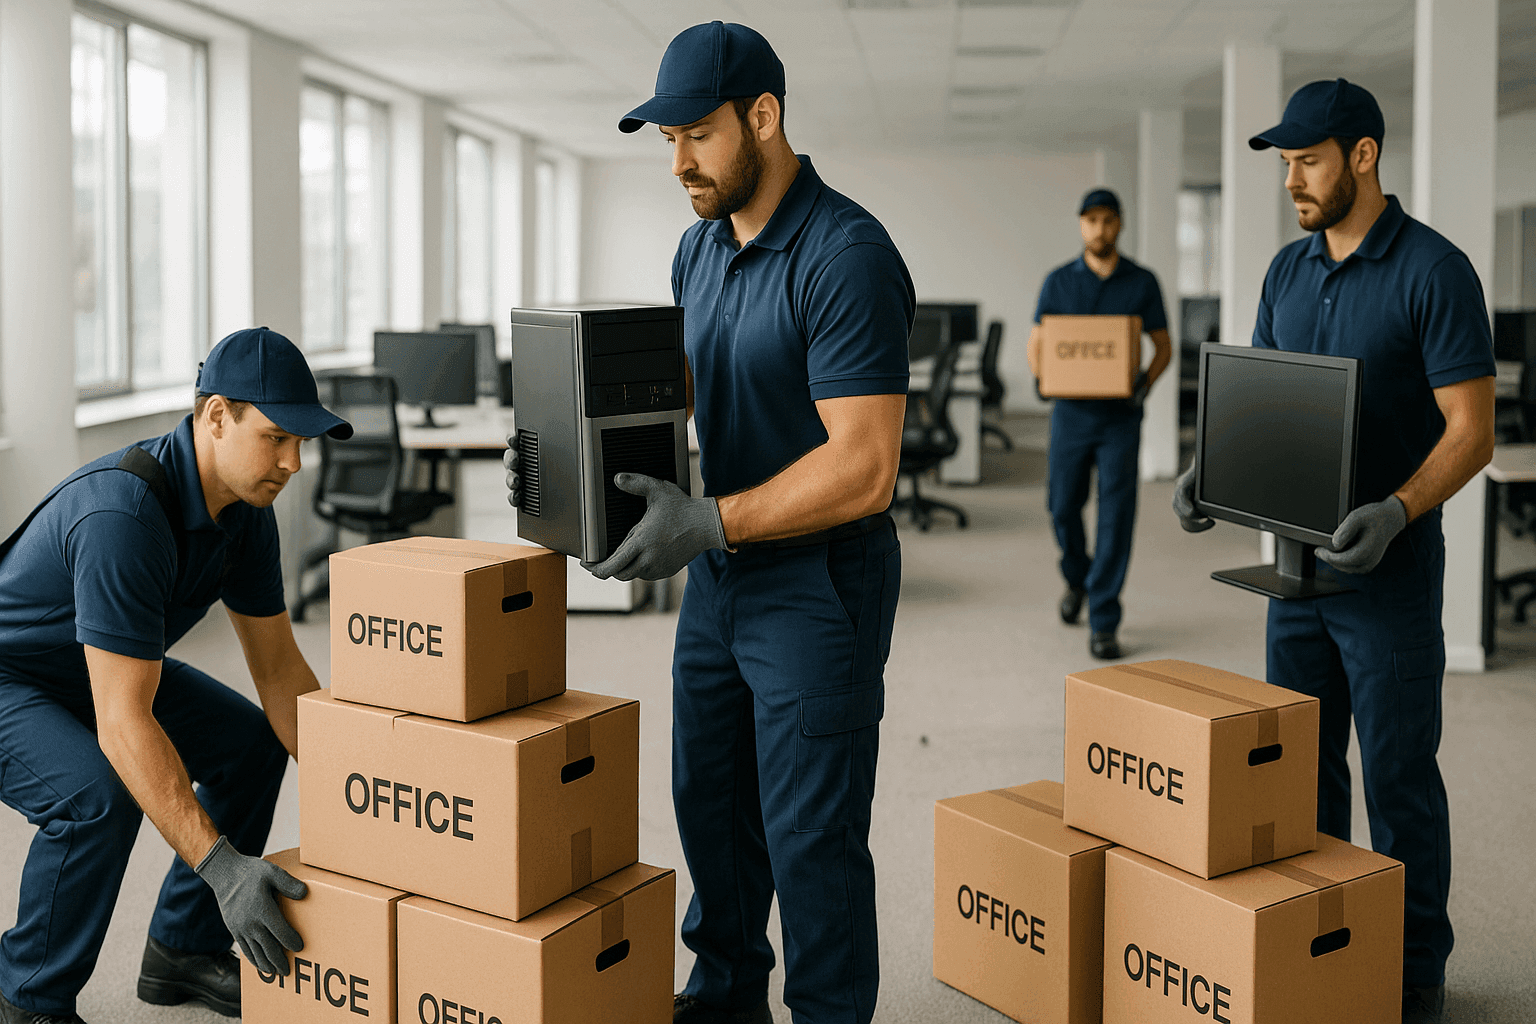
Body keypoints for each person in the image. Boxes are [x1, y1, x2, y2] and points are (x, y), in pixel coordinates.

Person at [508, 21, 911, 1024]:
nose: (678, 160)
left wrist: (710, 518)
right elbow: (684, 394)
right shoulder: (698, 250)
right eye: (664, 138)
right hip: (721, 575)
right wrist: (565, 467)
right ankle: (727, 995)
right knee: (713, 810)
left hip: (819, 582)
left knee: (810, 835)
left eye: (696, 133)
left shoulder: (846, 254)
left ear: (763, 117)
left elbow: (865, 466)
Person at [1172, 79, 1495, 1024]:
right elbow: (1271, 403)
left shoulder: (1436, 271)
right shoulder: (1286, 269)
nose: (1292, 182)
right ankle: (1320, 944)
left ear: (1363, 155)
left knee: (1399, 775)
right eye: (1284, 164)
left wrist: (1397, 511)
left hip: (1386, 575)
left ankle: (1410, 972)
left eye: (1307, 162)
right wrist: (1209, 471)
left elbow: (1470, 431)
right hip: (1296, 573)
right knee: (1299, 774)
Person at [0, 327, 351, 1023]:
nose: (294, 463)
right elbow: (124, 722)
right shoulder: (122, 515)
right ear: (217, 416)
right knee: (96, 795)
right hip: (13, 676)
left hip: (95, 670)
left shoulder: (246, 515)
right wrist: (223, 867)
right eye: (277, 438)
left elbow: (281, 673)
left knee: (250, 744)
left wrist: (362, 790)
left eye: (301, 444)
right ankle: (27, 999)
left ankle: (182, 951)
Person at [1027, 189, 1172, 661]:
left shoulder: (1142, 283)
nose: (1100, 229)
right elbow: (1039, 342)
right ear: (1081, 225)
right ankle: (1078, 578)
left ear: (1120, 225)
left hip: (1119, 420)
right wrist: (1042, 377)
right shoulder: (1058, 282)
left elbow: (1163, 346)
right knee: (1061, 506)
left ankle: (1104, 617)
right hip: (1070, 414)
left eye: (1108, 221)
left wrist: (1142, 386)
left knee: (1115, 517)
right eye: (1091, 221)